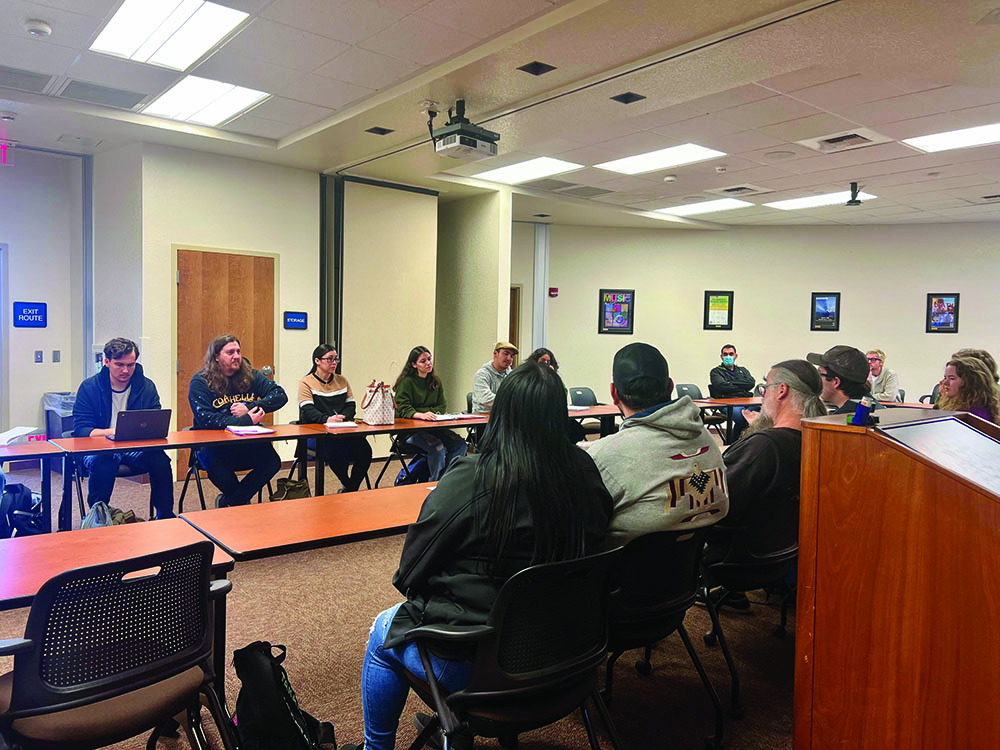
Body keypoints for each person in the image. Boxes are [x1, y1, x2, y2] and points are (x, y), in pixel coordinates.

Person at [344, 362, 613, 750]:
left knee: (382, 634)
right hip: (568, 654)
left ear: (500, 414)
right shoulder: (585, 471)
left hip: (483, 668)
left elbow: (410, 570)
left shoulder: (474, 476)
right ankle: (451, 725)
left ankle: (377, 748)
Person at [581, 342, 728, 550]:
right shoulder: (707, 439)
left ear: (614, 393)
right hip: (693, 571)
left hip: (621, 577)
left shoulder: (603, 456)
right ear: (670, 386)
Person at [704, 359, 826, 609]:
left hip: (733, 558)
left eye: (765, 387)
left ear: (782, 390)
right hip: (782, 555)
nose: (762, 395)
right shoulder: (819, 442)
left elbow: (715, 500)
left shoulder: (765, 446)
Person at [72, 337, 175, 519]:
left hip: (133, 447)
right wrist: (112, 432)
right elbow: (81, 430)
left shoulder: (146, 386)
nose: (126, 370)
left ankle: (165, 515)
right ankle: (98, 515)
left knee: (160, 461)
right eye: (119, 364)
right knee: (104, 461)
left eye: (131, 364)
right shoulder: (89, 388)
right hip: (98, 448)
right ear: (107, 362)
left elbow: (154, 419)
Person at [188, 334, 288, 507]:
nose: (236, 356)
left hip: (247, 442)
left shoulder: (250, 375)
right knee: (217, 469)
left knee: (272, 462)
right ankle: (239, 503)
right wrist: (246, 420)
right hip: (215, 446)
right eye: (230, 352)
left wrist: (250, 406)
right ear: (217, 357)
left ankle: (232, 502)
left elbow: (280, 396)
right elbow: (206, 419)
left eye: (238, 351)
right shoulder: (200, 381)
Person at [297, 343, 372, 492]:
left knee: (365, 450)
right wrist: (327, 419)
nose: (334, 363)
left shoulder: (342, 380)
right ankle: (350, 487)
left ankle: (350, 488)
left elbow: (351, 405)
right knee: (337, 452)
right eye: (329, 359)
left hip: (343, 429)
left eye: (336, 359)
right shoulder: (306, 382)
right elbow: (308, 410)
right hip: (318, 433)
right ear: (317, 361)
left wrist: (344, 417)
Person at [393, 346, 467, 481]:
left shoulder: (435, 381)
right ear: (414, 365)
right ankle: (432, 483)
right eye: (423, 361)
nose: (428, 363)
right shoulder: (407, 382)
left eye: (429, 359)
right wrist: (419, 414)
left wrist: (425, 412)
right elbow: (402, 408)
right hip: (411, 431)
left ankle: (444, 481)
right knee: (438, 448)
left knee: (460, 445)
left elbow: (442, 406)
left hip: (434, 427)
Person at [526, 347, 585, 442]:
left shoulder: (554, 377)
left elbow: (563, 393)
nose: (545, 364)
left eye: (548, 362)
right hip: (536, 416)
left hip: (554, 413)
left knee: (577, 430)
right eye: (542, 361)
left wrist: (552, 378)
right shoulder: (528, 377)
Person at [806, 345, 881, 415]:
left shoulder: (842, 424)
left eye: (819, 375)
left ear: (836, 382)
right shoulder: (874, 410)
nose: (816, 380)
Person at [708, 343, 755, 440]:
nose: (728, 356)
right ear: (721, 357)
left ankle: (740, 443)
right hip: (726, 402)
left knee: (759, 413)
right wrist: (742, 386)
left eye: (731, 354)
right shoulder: (716, 372)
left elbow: (751, 383)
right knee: (742, 419)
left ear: (735, 356)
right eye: (725, 354)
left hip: (746, 400)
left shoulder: (743, 370)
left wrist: (730, 383)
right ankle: (733, 443)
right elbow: (721, 386)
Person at [937, 356, 1000, 423]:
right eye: (945, 377)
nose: (945, 382)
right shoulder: (956, 406)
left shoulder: (975, 414)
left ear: (969, 382)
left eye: (952, 378)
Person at [471, 341, 518, 412]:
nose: (509, 359)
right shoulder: (482, 374)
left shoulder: (512, 376)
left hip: (504, 416)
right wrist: (512, 402)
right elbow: (486, 400)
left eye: (512, 356)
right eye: (506, 354)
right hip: (483, 418)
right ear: (495, 353)